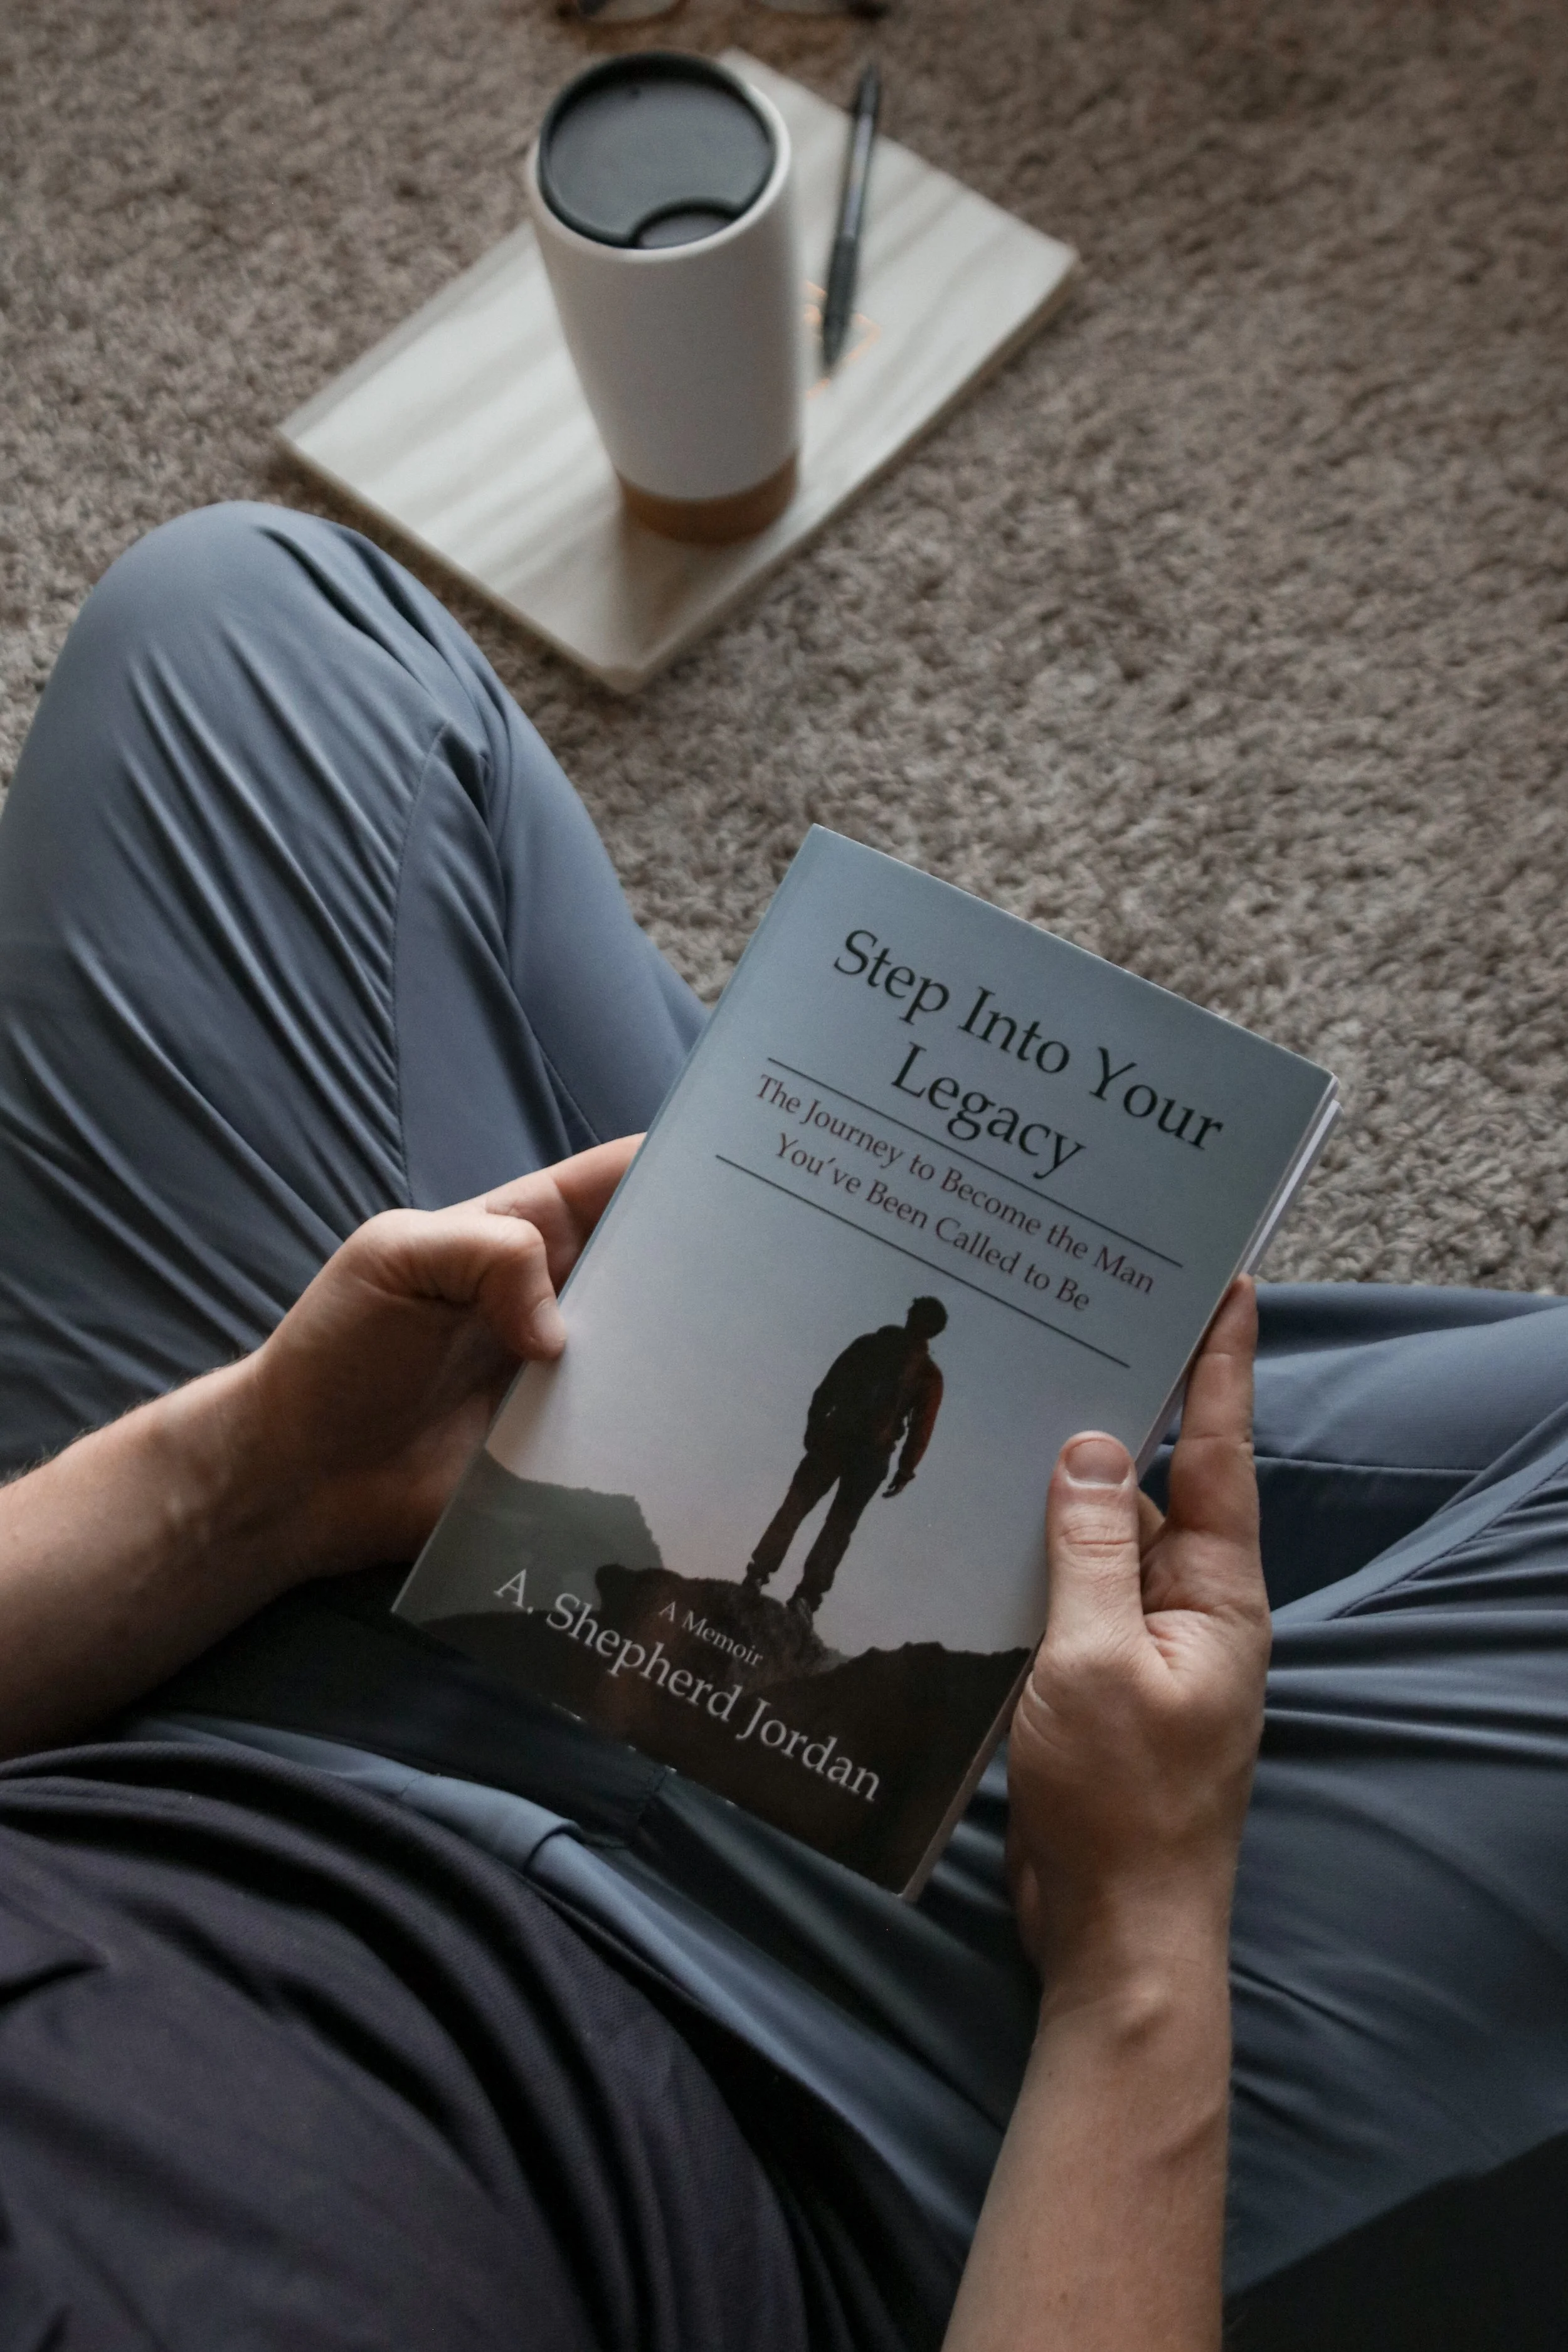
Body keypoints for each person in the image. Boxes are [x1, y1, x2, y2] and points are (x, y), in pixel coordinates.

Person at [1, 506, 1567, 2349]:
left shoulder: (873, 1369)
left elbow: (873, 1411)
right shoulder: (892, 1384)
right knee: (965, 1499)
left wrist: (246, 1476)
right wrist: (1137, 1960)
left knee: (249, 621)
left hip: (183, 1680)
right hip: (822, 2109)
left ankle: (812, 1211)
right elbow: (873, 1421)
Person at [744, 1295, 947, 1618]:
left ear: (913, 1316)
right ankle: (804, 1598)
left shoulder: (873, 1345)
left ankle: (762, 1576)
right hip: (865, 1454)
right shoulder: (925, 1373)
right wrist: (905, 1469)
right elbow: (921, 1429)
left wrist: (816, 1424)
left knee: (801, 1509)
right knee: (835, 1524)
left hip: (838, 1441)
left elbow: (829, 1386)